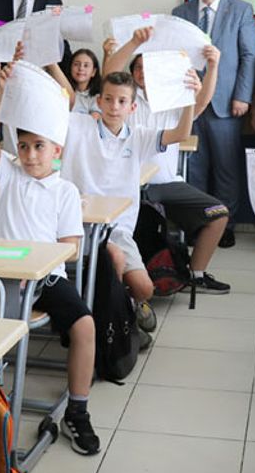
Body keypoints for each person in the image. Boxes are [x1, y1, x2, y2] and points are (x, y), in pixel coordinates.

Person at [0, 72, 100, 456]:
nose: (30, 155)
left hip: (45, 279)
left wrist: (39, 262)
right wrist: (2, 91)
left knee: (84, 325)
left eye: (39, 147)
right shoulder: (9, 175)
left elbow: (72, 250)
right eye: (24, 146)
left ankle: (77, 410)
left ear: (57, 150)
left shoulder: (65, 191)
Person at [62, 69, 197, 336]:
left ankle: (125, 306)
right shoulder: (77, 126)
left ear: (132, 107)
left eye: (122, 101)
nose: (114, 106)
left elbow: (181, 133)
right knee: (113, 258)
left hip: (118, 229)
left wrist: (190, 97)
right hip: (77, 226)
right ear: (99, 101)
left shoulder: (139, 135)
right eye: (109, 99)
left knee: (145, 288)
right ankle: (112, 324)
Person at [103, 32, 230, 294]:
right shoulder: (125, 101)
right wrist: (130, 44)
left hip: (166, 184)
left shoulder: (172, 100)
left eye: (147, 67)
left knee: (218, 214)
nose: (142, 72)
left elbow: (201, 102)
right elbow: (110, 75)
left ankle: (195, 274)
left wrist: (213, 66)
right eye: (137, 67)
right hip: (128, 186)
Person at [170, 0, 255, 249]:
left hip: (226, 103)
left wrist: (242, 95)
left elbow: (249, 56)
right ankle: (199, 225)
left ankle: (225, 226)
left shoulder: (241, 10)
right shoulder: (180, 12)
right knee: (193, 168)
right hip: (190, 105)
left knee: (226, 169)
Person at [66, 48, 102, 116]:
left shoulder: (97, 96)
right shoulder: (63, 90)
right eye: (76, 64)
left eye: (86, 65)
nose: (81, 68)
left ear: (93, 72)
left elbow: (95, 117)